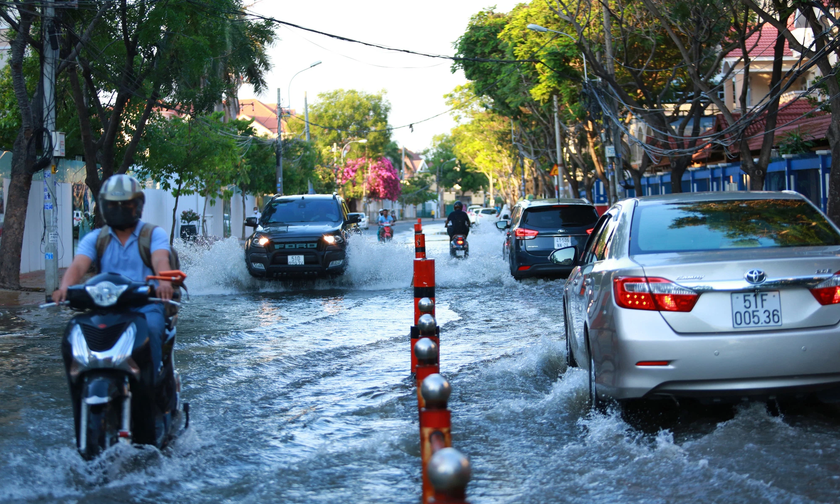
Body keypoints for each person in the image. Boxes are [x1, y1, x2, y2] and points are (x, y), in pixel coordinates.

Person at [52, 174, 173, 378]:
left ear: (138, 205)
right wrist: (64, 288)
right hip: (106, 307)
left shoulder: (153, 235)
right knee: (74, 333)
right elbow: (78, 266)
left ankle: (152, 385)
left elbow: (161, 261)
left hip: (145, 305)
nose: (119, 209)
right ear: (104, 206)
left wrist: (163, 282)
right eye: (113, 205)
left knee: (152, 328)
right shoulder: (95, 238)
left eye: (126, 204)